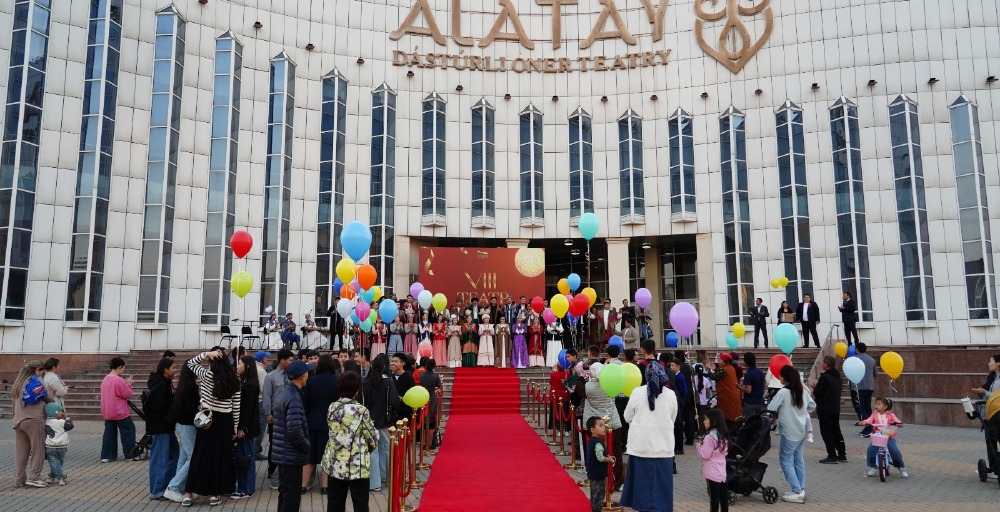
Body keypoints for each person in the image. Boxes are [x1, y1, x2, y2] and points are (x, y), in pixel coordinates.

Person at [185, 350, 242, 506]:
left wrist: (205, 354)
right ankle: (213, 494)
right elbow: (236, 406)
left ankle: (188, 493)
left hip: (207, 420)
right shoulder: (234, 378)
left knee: (200, 455)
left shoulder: (205, 374)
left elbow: (189, 363)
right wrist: (235, 428)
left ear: (212, 362)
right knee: (219, 458)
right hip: (225, 421)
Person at [621, 362, 678, 512]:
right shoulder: (671, 394)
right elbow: (673, 417)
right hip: (663, 448)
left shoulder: (636, 392)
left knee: (641, 489)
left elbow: (627, 416)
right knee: (661, 490)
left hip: (640, 447)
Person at [323, 371, 377, 512]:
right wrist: (367, 448)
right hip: (357, 463)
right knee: (360, 502)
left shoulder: (332, 407)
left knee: (335, 501)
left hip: (335, 461)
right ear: (357, 389)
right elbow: (371, 438)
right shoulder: (361, 410)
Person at [767, 365, 816, 503]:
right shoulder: (802, 390)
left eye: (781, 376)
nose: (779, 378)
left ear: (785, 378)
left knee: (786, 461)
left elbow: (771, 408)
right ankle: (801, 487)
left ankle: (797, 490)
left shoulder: (783, 392)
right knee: (798, 460)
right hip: (801, 431)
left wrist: (783, 412)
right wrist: (801, 412)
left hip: (789, 432)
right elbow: (812, 406)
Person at [272, 361, 311, 512]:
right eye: (307, 373)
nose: (308, 376)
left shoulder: (283, 391)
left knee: (285, 493)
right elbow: (294, 429)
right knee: (291, 498)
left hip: (282, 452)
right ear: (302, 376)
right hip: (290, 454)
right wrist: (306, 446)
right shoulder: (294, 397)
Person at [363, 354, 401, 491]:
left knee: (372, 452)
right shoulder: (388, 382)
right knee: (385, 450)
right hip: (385, 421)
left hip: (369, 421)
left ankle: (374, 483)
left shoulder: (365, 382)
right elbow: (394, 401)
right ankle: (385, 477)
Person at [163, 361, 199, 504]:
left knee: (183, 458)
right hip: (187, 425)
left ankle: (180, 487)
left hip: (182, 425)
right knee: (193, 458)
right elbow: (191, 409)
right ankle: (173, 486)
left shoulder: (183, 386)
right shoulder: (190, 387)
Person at [303, 355, 339, 494]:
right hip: (330, 423)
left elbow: (305, 402)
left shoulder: (311, 381)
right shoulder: (336, 381)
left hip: (312, 422)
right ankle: (325, 486)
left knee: (310, 456)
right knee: (327, 455)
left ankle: (303, 485)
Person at [584, 363, 623, 487]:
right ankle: (618, 481)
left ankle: (600, 481)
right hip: (611, 422)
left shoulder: (588, 386)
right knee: (615, 452)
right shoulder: (610, 384)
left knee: (597, 453)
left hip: (596, 424)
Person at [145, 357, 178, 500]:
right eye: (173, 368)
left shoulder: (165, 383)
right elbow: (159, 408)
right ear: (165, 370)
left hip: (166, 428)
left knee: (174, 455)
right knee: (159, 458)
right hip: (160, 428)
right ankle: (157, 490)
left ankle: (167, 485)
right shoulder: (160, 385)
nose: (175, 371)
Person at [13, 361, 49, 488]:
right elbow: (46, 398)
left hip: (18, 421)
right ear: (37, 370)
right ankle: (34, 477)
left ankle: (19, 479)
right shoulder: (35, 382)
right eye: (42, 370)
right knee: (38, 450)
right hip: (33, 420)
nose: (43, 373)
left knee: (21, 452)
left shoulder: (18, 383)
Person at [264, 349, 294, 488]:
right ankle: (272, 471)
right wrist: (268, 414)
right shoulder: (271, 377)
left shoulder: (292, 375)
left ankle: (285, 472)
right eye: (289, 360)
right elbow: (267, 396)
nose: (291, 362)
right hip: (276, 416)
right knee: (274, 444)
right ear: (282, 360)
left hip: (290, 415)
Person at [858, 397, 908, 478]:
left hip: (888, 437)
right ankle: (873, 466)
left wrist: (898, 423)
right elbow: (869, 420)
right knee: (871, 450)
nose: (876, 406)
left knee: (895, 451)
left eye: (879, 404)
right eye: (876, 404)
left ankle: (901, 467)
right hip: (877, 437)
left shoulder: (891, 415)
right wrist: (863, 422)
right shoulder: (874, 414)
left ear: (885, 406)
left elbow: (897, 421)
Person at [234, 354, 262, 499]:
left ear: (248, 366)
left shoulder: (250, 385)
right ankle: (244, 487)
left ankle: (246, 489)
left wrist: (242, 428)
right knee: (244, 457)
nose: (237, 366)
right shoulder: (245, 382)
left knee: (246, 457)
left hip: (247, 429)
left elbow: (247, 410)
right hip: (247, 428)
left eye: (240, 364)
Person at [100, 357, 135, 463]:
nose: (124, 370)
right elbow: (127, 394)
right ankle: (130, 454)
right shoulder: (118, 380)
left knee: (109, 434)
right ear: (119, 367)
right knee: (128, 431)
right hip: (120, 412)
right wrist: (129, 383)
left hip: (108, 411)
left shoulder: (105, 379)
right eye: (123, 368)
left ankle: (107, 455)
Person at [813, 356, 846, 464]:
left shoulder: (825, 377)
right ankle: (842, 454)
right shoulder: (838, 377)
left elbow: (818, 392)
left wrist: (815, 388)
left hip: (825, 408)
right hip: (835, 407)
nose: (822, 364)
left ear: (827, 364)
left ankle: (831, 455)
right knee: (836, 430)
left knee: (826, 432)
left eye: (823, 363)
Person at [696, 409, 729, 512]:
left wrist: (698, 445)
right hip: (722, 473)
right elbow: (725, 452)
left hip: (712, 473)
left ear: (713, 421)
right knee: (724, 498)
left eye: (706, 419)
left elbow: (705, 455)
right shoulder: (723, 436)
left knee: (714, 499)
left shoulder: (709, 437)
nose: (704, 421)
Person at [584, 416, 615, 512]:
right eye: (601, 425)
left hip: (592, 472)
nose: (604, 428)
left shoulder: (591, 441)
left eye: (603, 425)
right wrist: (609, 459)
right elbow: (600, 457)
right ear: (592, 430)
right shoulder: (598, 443)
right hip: (598, 474)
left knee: (594, 494)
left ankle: (595, 509)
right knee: (599, 494)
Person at [44, 402, 71, 486]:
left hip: (50, 446)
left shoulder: (46, 422)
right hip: (62, 446)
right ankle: (61, 478)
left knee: (54, 462)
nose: (62, 413)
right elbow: (70, 426)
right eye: (60, 411)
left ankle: (52, 476)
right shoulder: (62, 422)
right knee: (59, 462)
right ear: (56, 412)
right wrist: (68, 419)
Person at [419, 358, 443, 448]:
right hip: (432, 399)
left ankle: (424, 443)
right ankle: (430, 443)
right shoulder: (435, 376)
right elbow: (439, 388)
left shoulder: (422, 376)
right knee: (432, 422)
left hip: (423, 398)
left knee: (424, 422)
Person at [715, 353, 742, 427]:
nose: (718, 361)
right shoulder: (731, 368)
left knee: (728, 418)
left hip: (728, 397)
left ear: (724, 361)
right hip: (732, 396)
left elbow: (714, 377)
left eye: (720, 360)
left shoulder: (725, 369)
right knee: (733, 416)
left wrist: (708, 370)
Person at [856, 342, 877, 437]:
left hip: (860, 387)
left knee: (863, 408)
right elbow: (875, 374)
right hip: (870, 386)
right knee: (868, 407)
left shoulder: (855, 359)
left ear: (857, 349)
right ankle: (870, 427)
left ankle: (868, 428)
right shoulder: (872, 360)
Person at [740, 353, 765, 418]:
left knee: (750, 423)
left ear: (746, 362)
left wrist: (739, 387)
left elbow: (748, 390)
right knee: (759, 422)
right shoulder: (760, 371)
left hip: (750, 403)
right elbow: (764, 385)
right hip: (760, 401)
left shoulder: (748, 373)